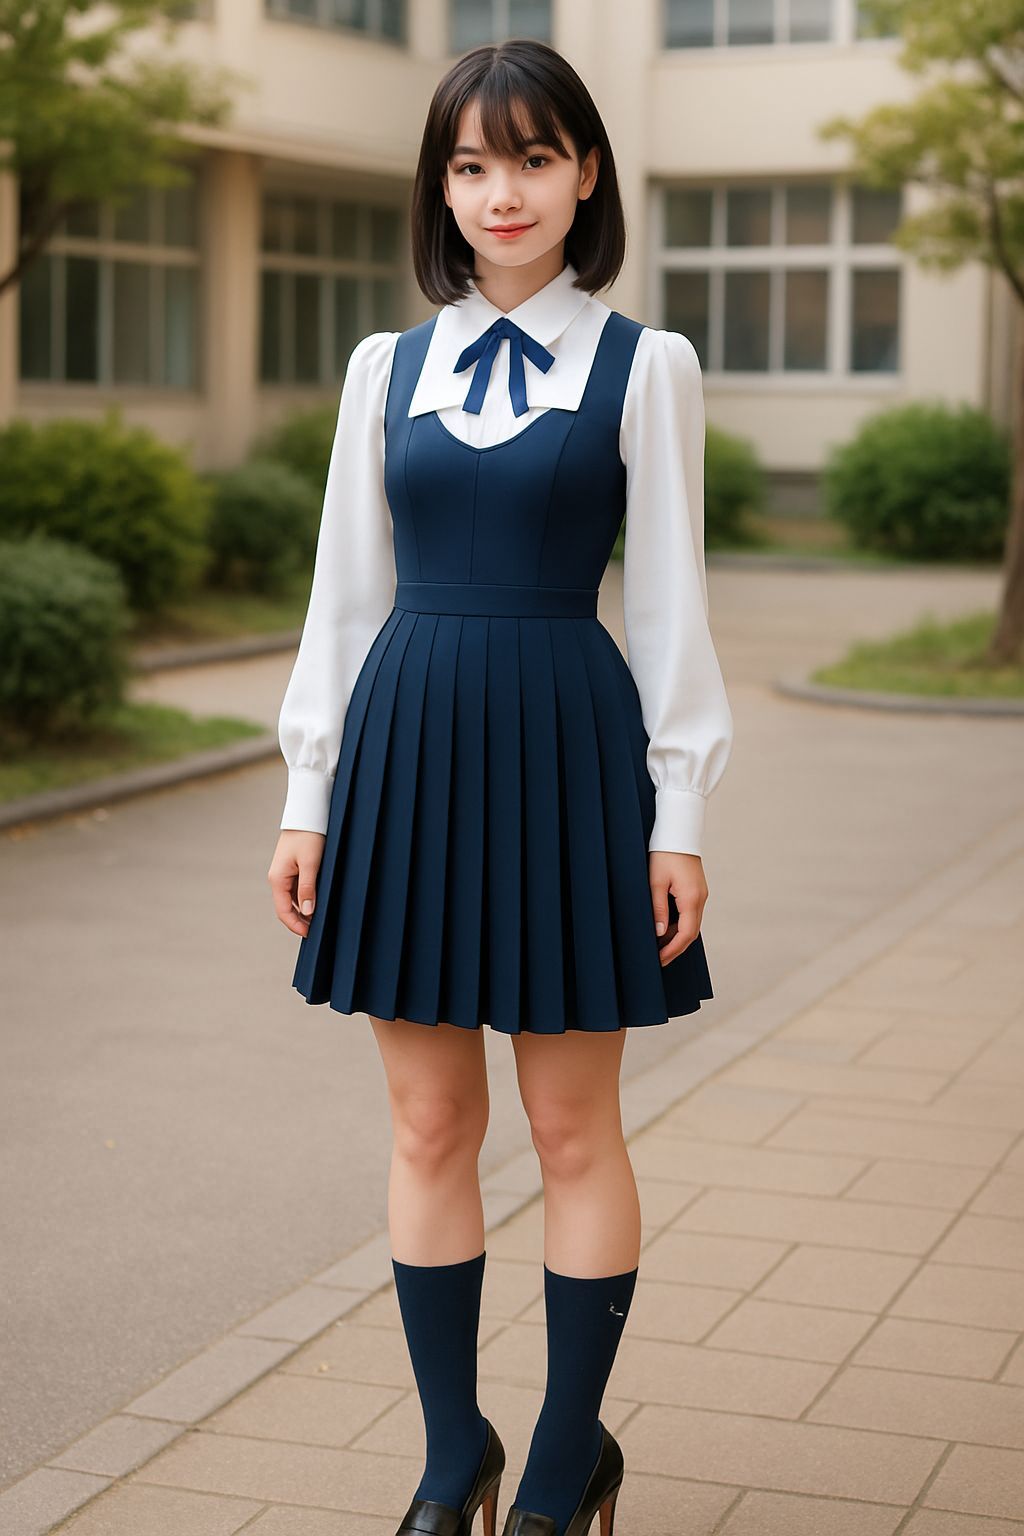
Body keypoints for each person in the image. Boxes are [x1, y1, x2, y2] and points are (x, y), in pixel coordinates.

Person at [267, 37, 734, 1536]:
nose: (502, 192)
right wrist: (306, 794)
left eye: (533, 159)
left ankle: (559, 1464)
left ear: (586, 171)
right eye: (472, 165)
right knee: (426, 1126)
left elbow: (669, 609)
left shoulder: (645, 365)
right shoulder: (381, 368)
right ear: (442, 187)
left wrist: (682, 818)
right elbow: (344, 595)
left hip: (564, 749)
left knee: (574, 1124)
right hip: (403, 749)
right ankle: (452, 1450)